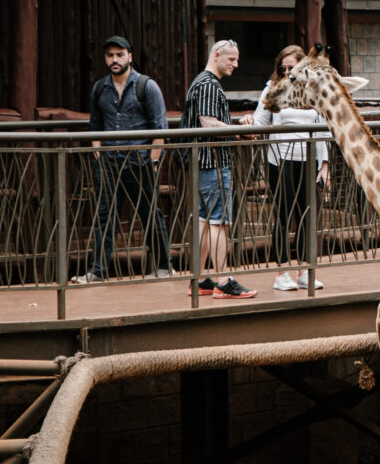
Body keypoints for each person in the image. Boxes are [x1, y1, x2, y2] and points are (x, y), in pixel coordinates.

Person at [73, 36, 170, 283]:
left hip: (140, 162)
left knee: (150, 214)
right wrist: (98, 156)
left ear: (129, 56)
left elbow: (160, 128)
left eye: (119, 54)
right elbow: (94, 126)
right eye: (109, 55)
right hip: (108, 163)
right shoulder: (99, 88)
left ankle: (162, 266)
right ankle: (97, 271)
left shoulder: (146, 86)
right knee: (105, 216)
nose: (114, 60)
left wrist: (153, 161)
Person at [246, 44, 330, 292]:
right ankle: (281, 271)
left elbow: (323, 127)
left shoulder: (312, 90)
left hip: (308, 158)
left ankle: (304, 270)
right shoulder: (272, 88)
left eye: (290, 68)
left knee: (306, 215)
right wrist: (249, 120)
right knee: (283, 214)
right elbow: (261, 119)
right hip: (280, 159)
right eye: (282, 68)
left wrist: (324, 164)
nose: (285, 72)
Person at [182, 39, 253, 298]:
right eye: (231, 59)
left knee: (204, 220)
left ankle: (200, 279)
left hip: (202, 162)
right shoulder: (210, 84)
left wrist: (235, 128)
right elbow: (208, 123)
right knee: (218, 222)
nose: (235, 64)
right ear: (217, 54)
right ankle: (223, 281)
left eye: (237, 60)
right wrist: (241, 129)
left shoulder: (200, 82)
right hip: (213, 162)